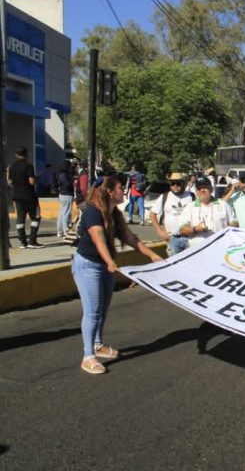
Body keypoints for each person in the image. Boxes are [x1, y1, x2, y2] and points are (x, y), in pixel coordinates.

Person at [73, 175, 163, 374]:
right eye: (121, 188)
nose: (124, 191)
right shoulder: (92, 212)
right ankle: (88, 356)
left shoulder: (114, 214)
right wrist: (110, 261)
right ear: (110, 192)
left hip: (104, 266)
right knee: (92, 311)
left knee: (102, 309)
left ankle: (98, 344)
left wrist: (153, 255)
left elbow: (130, 238)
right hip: (88, 265)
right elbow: (98, 239)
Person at [178, 177, 238, 246]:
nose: (202, 190)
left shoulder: (223, 204)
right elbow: (182, 229)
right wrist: (196, 229)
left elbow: (234, 223)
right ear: (196, 191)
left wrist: (230, 228)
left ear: (211, 189)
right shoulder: (189, 207)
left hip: (220, 247)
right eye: (199, 188)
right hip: (198, 250)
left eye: (205, 187)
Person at [149, 172, 195, 256]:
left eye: (178, 183)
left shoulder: (192, 196)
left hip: (190, 238)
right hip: (173, 239)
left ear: (184, 184)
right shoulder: (164, 197)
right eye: (173, 183)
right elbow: (152, 214)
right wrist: (160, 231)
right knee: (174, 265)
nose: (175, 186)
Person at [7, 147, 43, 249]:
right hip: (29, 195)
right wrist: (36, 179)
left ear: (16, 154)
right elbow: (31, 181)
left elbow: (9, 182)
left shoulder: (12, 167)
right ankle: (32, 240)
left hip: (17, 196)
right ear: (26, 154)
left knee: (20, 218)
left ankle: (22, 242)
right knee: (36, 217)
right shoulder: (28, 166)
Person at [56, 160, 76, 238]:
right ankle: (65, 230)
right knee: (66, 213)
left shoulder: (61, 174)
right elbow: (67, 184)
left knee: (61, 213)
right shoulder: (64, 175)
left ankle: (59, 231)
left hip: (62, 195)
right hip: (67, 195)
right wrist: (73, 179)